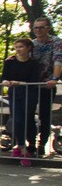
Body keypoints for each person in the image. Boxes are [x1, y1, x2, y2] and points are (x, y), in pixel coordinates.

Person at [2, 38, 41, 166]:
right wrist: (6, 82)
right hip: (14, 92)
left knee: (28, 119)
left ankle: (31, 144)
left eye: (21, 47)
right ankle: (21, 147)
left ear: (29, 48)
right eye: (16, 47)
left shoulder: (34, 63)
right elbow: (3, 77)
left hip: (29, 92)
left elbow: (34, 80)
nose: (18, 49)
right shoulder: (10, 62)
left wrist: (21, 83)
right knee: (17, 119)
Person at [30, 17, 62, 157]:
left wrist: (54, 78)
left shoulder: (56, 42)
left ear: (48, 28)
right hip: (32, 85)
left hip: (47, 84)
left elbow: (58, 60)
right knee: (28, 114)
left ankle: (42, 144)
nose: (38, 30)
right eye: (36, 28)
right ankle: (30, 142)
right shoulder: (32, 44)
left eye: (41, 27)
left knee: (45, 115)